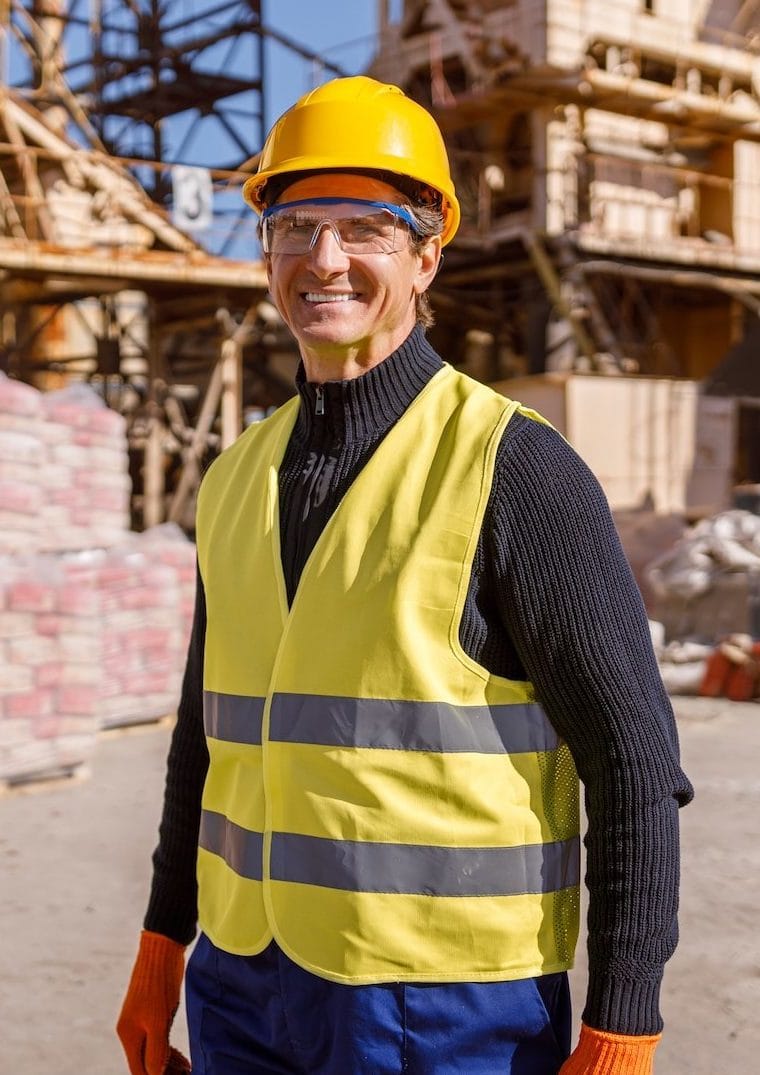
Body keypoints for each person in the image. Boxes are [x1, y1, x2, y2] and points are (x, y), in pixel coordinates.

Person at [117, 76, 693, 1075]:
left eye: (364, 228)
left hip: (448, 1005)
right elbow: (201, 749)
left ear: (426, 255)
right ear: (264, 254)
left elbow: (633, 758)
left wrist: (624, 1018)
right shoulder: (235, 476)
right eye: (294, 226)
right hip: (243, 985)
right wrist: (162, 947)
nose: (322, 260)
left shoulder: (513, 468)